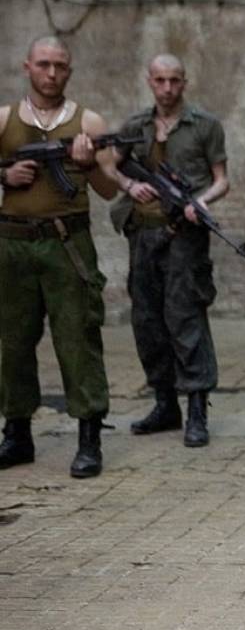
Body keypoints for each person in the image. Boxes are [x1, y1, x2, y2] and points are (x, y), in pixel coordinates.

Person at [0, 36, 119, 478]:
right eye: (44, 64)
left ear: (70, 71)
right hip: (12, 245)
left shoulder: (88, 122)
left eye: (60, 66)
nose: (52, 74)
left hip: (67, 244)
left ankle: (89, 437)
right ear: (27, 67)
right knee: (12, 342)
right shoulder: (5, 119)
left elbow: (110, 189)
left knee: (78, 338)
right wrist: (6, 177)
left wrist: (89, 164)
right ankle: (16, 434)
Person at [110, 55, 230, 448]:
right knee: (147, 320)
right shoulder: (135, 127)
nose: (167, 88)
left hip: (184, 235)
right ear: (149, 81)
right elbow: (111, 166)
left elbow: (222, 180)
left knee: (185, 317)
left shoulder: (205, 126)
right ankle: (165, 404)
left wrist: (201, 201)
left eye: (174, 80)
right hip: (142, 234)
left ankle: (196, 409)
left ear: (184, 82)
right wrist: (130, 187)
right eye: (160, 80)